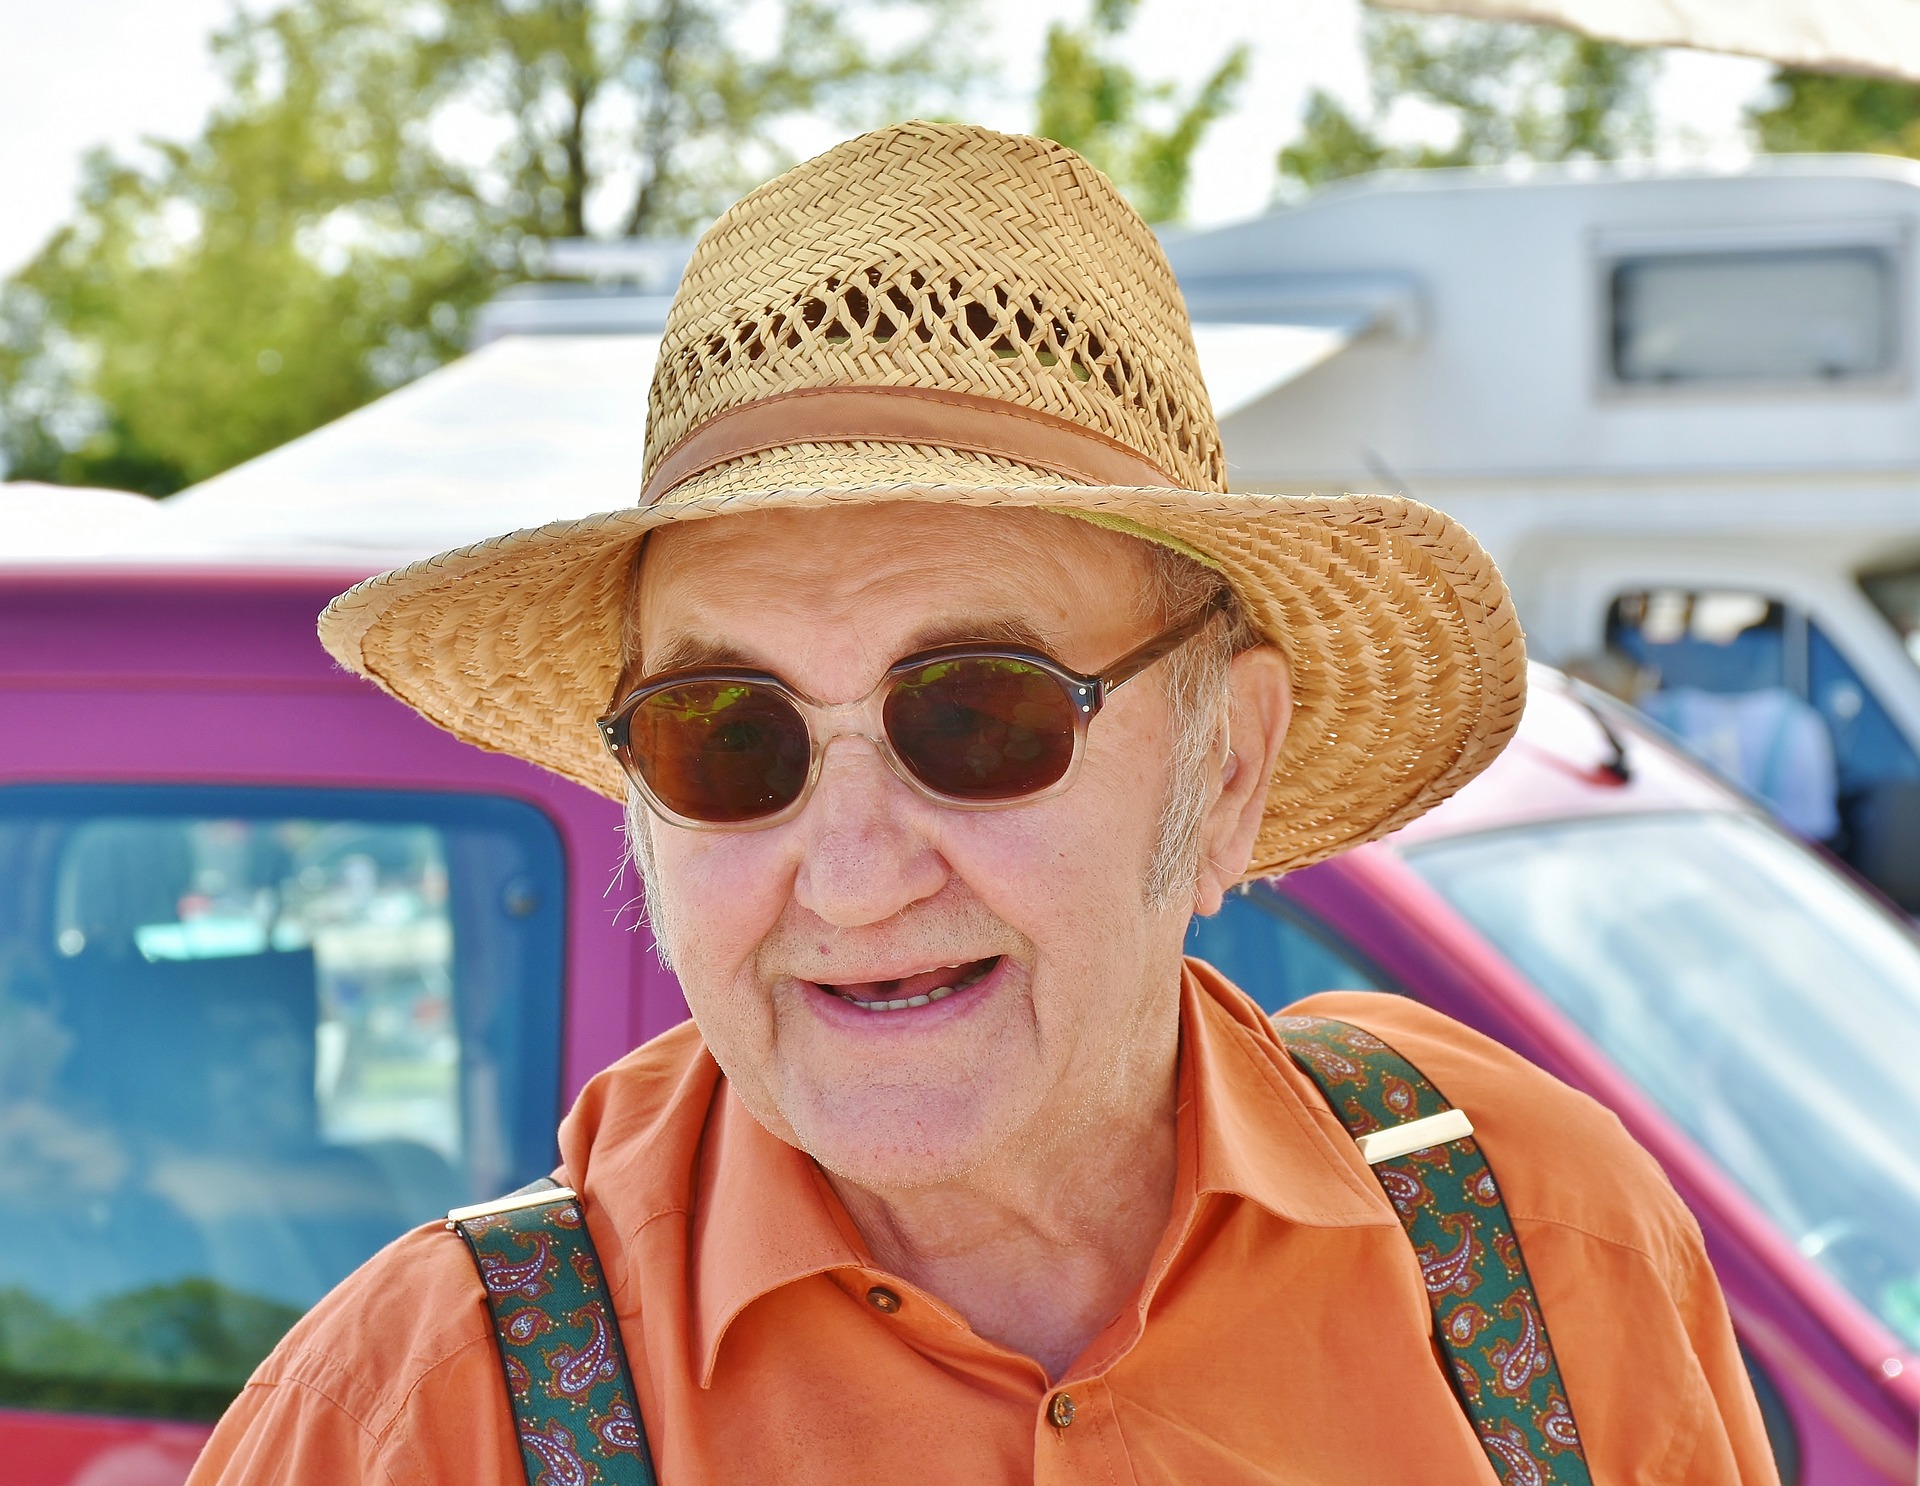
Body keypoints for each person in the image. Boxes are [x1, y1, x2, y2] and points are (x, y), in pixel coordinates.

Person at [188, 123, 1778, 1485]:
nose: (853, 873)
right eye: (726, 738)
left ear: (1225, 767)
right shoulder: (414, 1417)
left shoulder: (1531, 1244)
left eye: (977, 716)